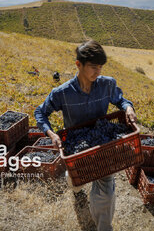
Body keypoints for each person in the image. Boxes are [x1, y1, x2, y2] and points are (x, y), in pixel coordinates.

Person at [34, 40, 137, 231]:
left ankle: (103, 228)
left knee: (105, 191)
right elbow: (40, 112)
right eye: (93, 67)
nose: (98, 72)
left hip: (102, 147)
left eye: (100, 67)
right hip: (77, 151)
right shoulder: (62, 93)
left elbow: (121, 100)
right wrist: (51, 134)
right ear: (78, 64)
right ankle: (76, 190)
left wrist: (128, 107)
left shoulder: (107, 84)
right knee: (75, 182)